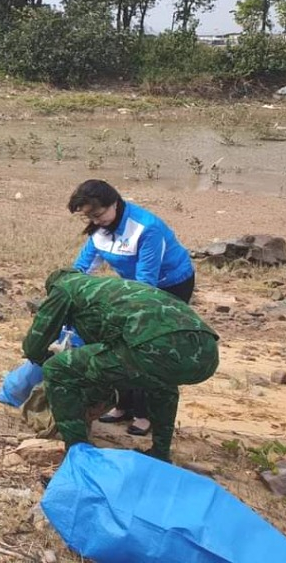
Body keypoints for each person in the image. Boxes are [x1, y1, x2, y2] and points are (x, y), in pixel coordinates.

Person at [22, 270, 219, 463]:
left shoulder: (63, 289)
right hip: (207, 352)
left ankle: (78, 454)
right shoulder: (104, 288)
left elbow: (33, 347)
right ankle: (160, 453)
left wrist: (45, 359)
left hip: (154, 345)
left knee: (57, 369)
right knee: (160, 380)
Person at [68, 179, 196, 437]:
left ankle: (145, 414)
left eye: (98, 214)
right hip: (133, 287)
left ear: (114, 203)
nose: (95, 221)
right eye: (89, 217)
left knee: (147, 348)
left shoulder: (146, 228)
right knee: (117, 344)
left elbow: (146, 282)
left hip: (170, 285)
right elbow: (82, 268)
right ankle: (122, 406)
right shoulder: (100, 229)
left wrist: (123, 306)